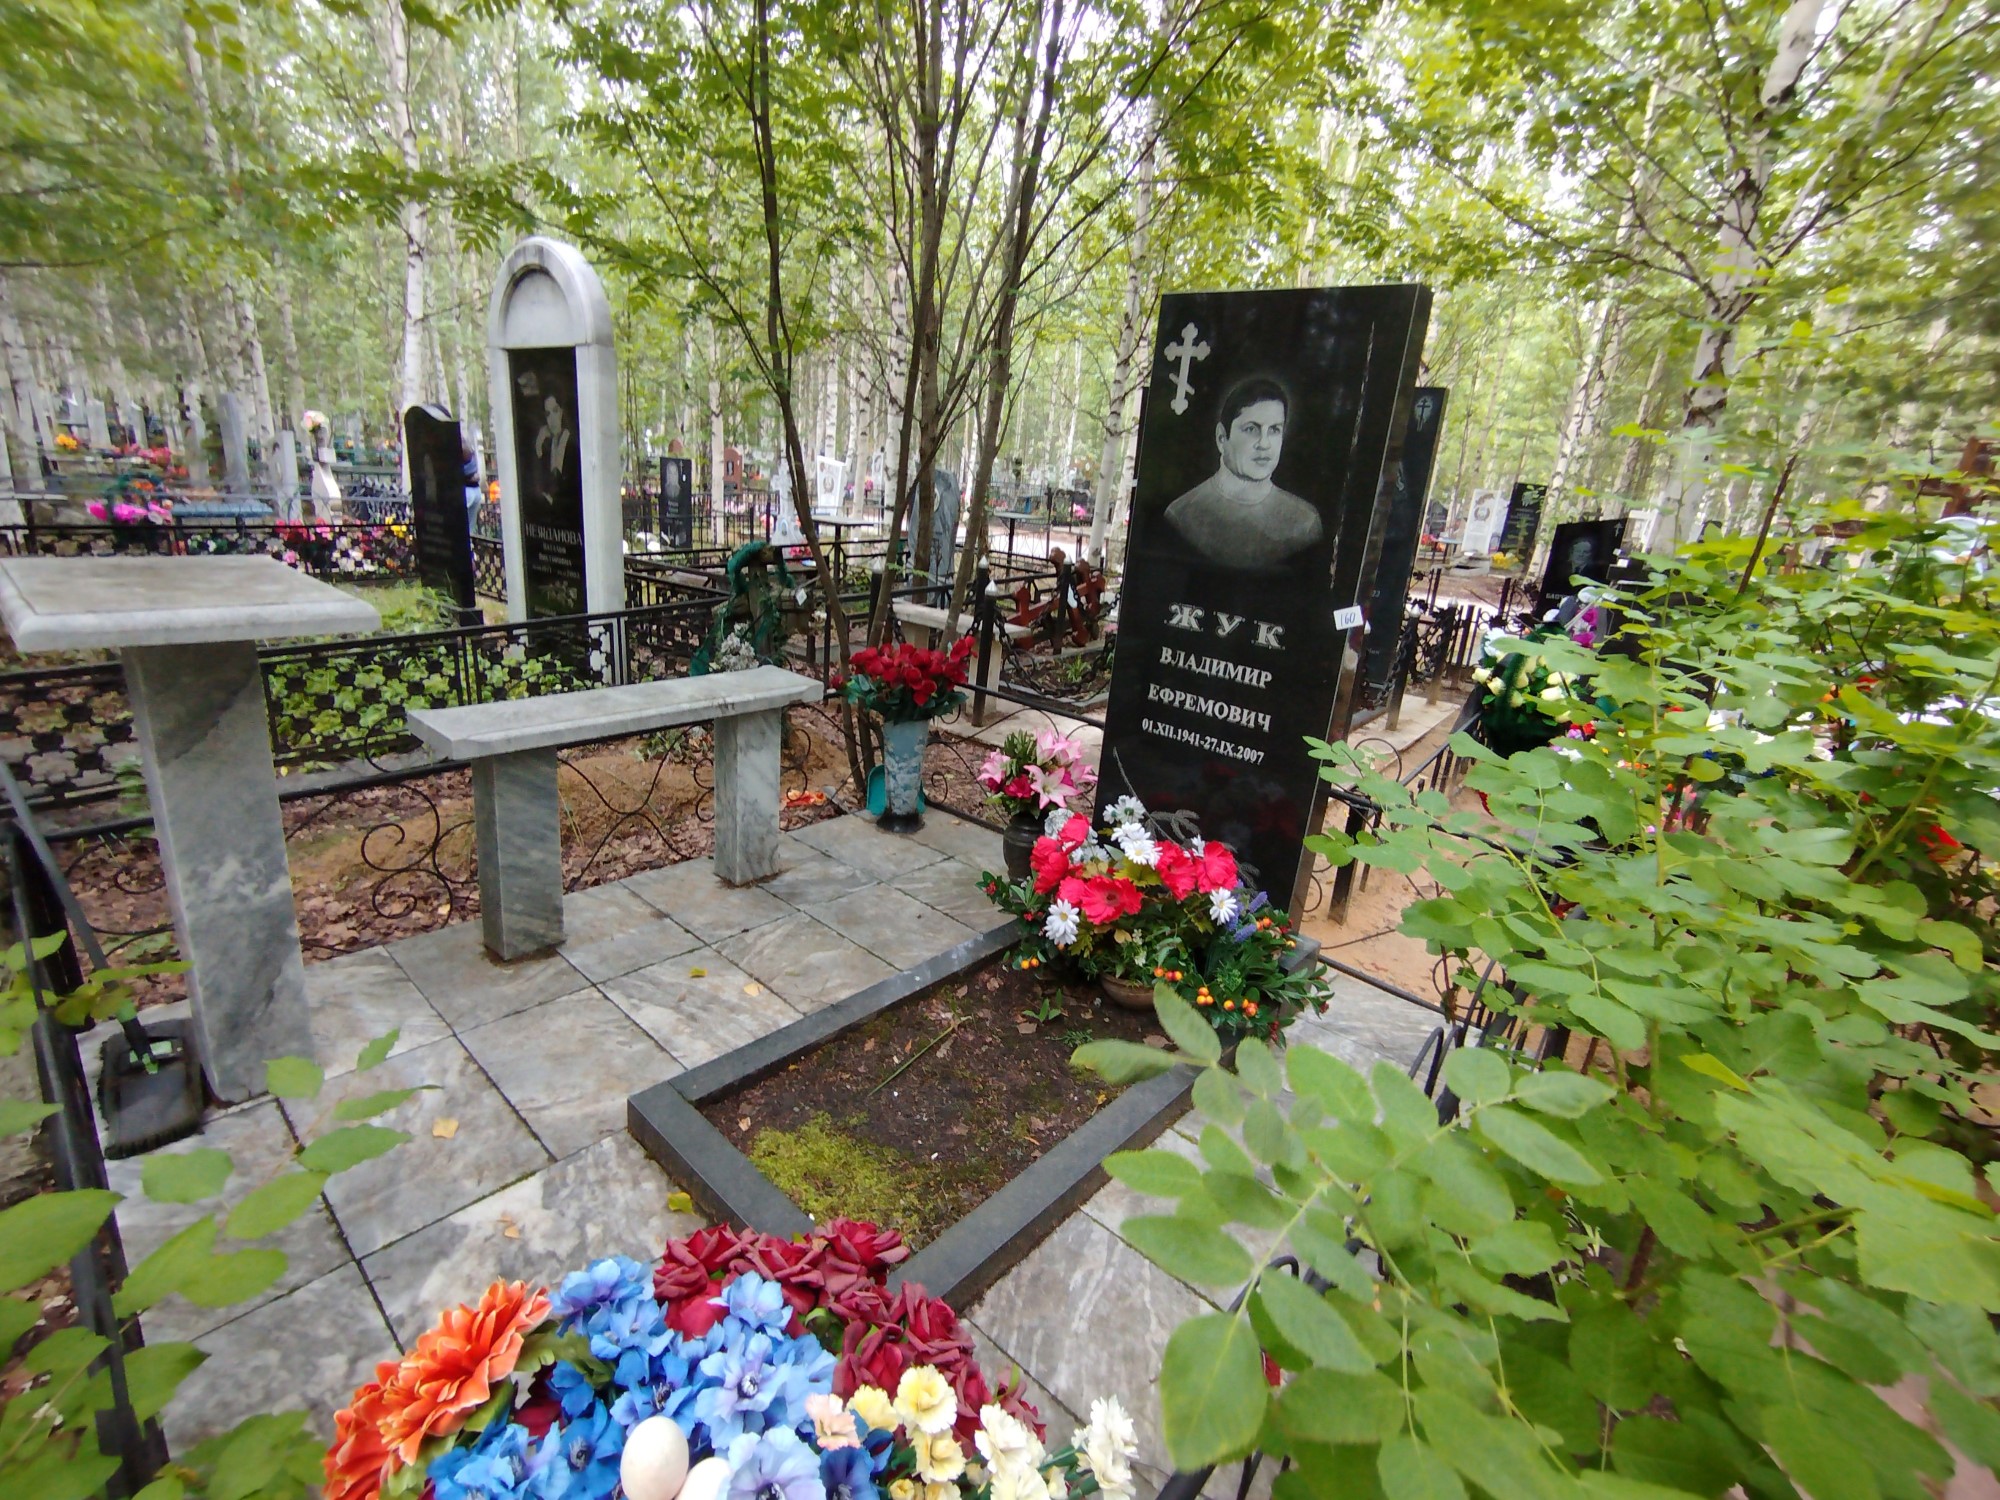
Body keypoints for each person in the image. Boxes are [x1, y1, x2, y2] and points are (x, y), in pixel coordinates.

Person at [1163, 376, 1322, 570]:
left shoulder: (1304, 523)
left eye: (1274, 430)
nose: (1264, 444)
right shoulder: (1181, 515)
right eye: (1251, 429)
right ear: (1222, 438)